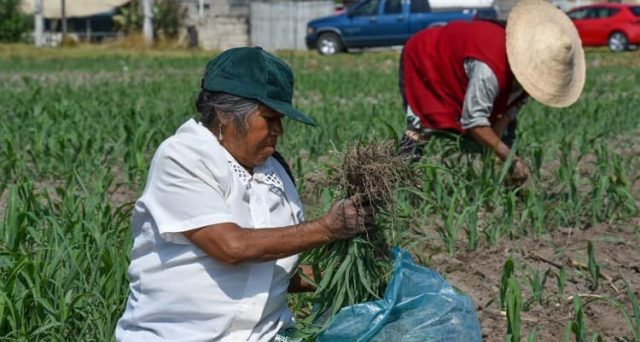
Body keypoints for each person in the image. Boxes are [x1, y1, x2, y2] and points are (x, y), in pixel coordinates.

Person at [115, 47, 373, 341]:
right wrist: (327, 228)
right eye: (269, 118)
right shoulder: (184, 156)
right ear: (226, 115)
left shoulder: (275, 171)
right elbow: (231, 246)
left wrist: (350, 273)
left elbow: (271, 270)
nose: (279, 131)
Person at [398, 0, 585, 184]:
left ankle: (511, 187)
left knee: (504, 138)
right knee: (421, 128)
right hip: (427, 59)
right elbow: (474, 122)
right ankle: (395, 184)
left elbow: (505, 116)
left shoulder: (532, 79)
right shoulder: (489, 69)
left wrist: (500, 152)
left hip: (466, 64)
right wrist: (510, 159)